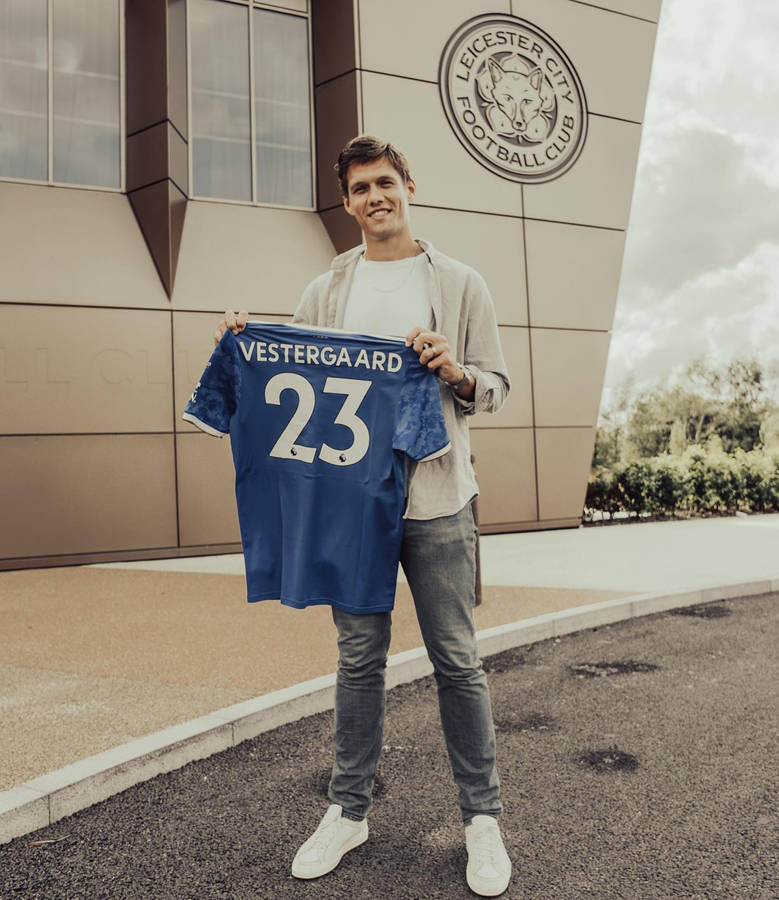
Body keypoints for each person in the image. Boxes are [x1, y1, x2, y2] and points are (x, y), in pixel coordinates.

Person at [215, 135, 512, 897]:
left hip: (439, 500)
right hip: (350, 508)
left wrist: (458, 371)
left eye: (384, 181)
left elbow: (498, 385)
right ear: (346, 203)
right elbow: (296, 379)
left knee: (457, 660)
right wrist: (244, 347)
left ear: (408, 186)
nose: (374, 196)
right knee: (356, 664)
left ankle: (481, 818)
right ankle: (348, 811)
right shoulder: (325, 291)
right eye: (359, 188)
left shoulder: (461, 281)